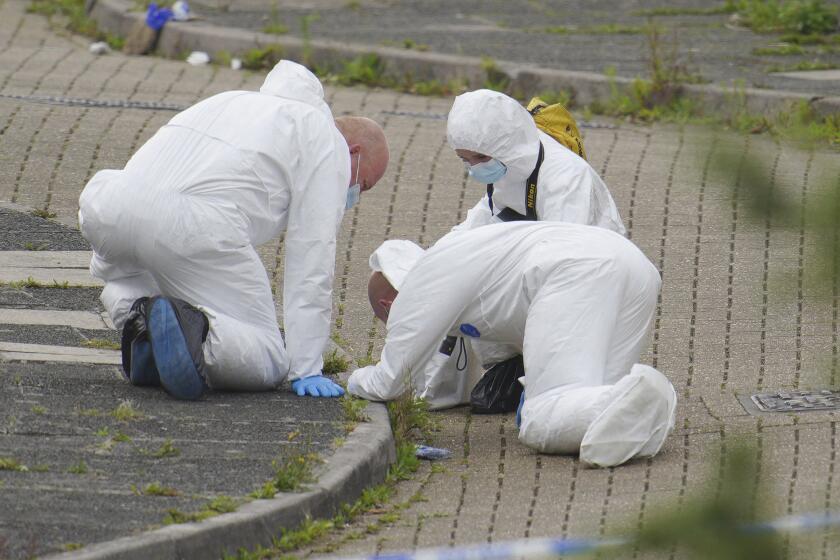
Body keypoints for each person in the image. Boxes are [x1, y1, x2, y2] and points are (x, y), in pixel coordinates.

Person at [78, 60, 389, 401]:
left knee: (136, 283)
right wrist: (306, 366)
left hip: (108, 206)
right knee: (268, 354)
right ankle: (194, 333)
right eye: (364, 185)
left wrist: (110, 264)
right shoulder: (324, 139)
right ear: (353, 152)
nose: (355, 193)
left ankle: (140, 327)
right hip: (190, 227)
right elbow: (311, 255)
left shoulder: (230, 99)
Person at [347, 222, 676, 467]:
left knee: (541, 417)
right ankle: (645, 402)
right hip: (633, 262)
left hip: (574, 271)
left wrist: (353, 379)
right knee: (603, 415)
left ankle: (646, 395)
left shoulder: (420, 286)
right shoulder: (460, 255)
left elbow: (390, 381)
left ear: (389, 305)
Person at [416, 89, 628, 410]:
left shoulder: (566, 178)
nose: (473, 169)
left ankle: (559, 375)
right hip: (545, 273)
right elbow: (479, 224)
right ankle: (515, 367)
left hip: (592, 284)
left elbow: (566, 261)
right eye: (465, 160)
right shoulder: (510, 164)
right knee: (465, 283)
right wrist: (432, 263)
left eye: (479, 159)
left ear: (503, 145)